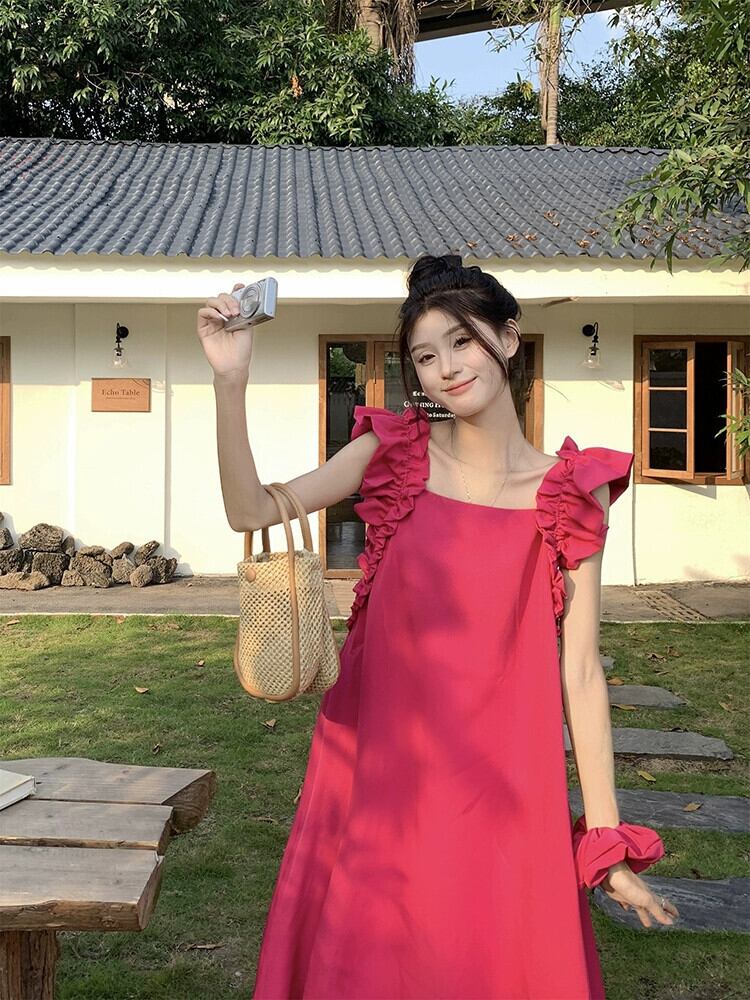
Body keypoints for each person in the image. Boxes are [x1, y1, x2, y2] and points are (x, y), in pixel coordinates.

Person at [197, 255, 680, 1000]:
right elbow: (250, 511)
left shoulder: (571, 494)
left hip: (506, 783)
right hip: (379, 768)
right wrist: (230, 381)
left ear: (508, 338)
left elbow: (581, 673)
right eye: (425, 356)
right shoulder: (391, 455)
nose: (447, 368)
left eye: (461, 342)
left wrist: (606, 841)